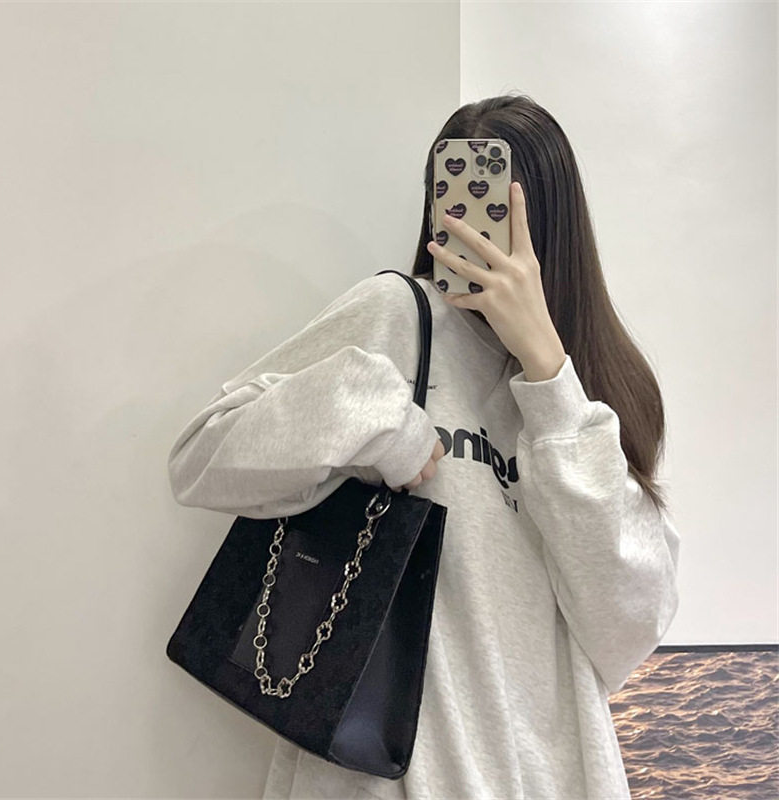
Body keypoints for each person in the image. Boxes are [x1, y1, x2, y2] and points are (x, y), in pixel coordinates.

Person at [166, 94, 681, 800]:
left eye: (501, 210)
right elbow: (200, 459)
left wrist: (549, 375)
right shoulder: (400, 318)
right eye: (460, 202)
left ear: (551, 226)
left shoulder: (600, 384)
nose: (479, 231)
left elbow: (629, 629)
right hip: (390, 776)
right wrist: (377, 417)